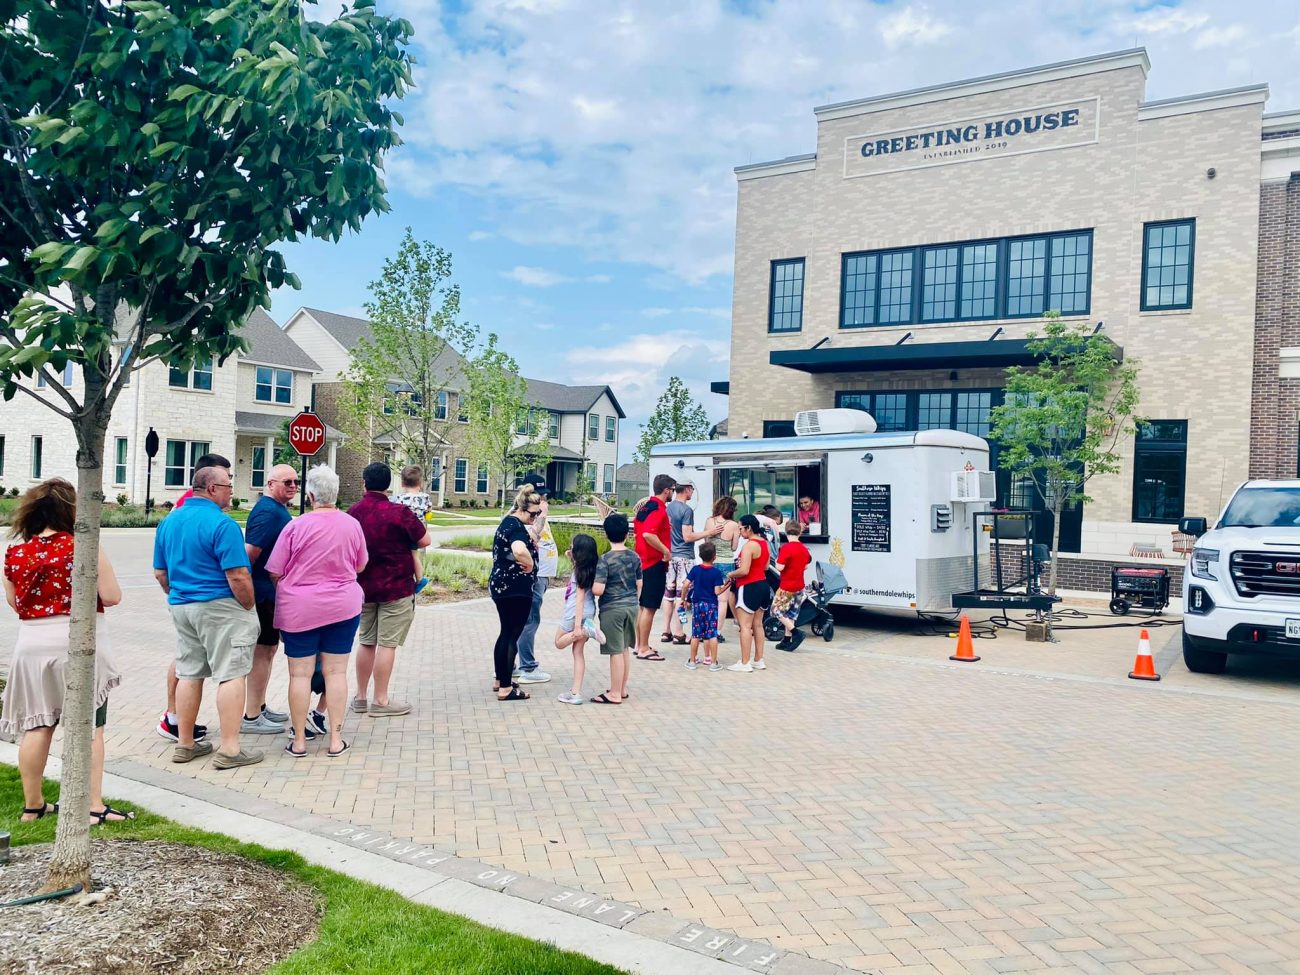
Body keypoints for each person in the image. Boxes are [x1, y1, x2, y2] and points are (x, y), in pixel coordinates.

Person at [2, 479, 133, 824]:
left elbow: (15, 602)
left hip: (30, 646)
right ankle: (92, 806)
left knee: (38, 725)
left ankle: (33, 806)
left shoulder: (16, 553)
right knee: (90, 726)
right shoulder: (82, 546)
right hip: (77, 643)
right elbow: (112, 595)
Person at [153, 465, 263, 768]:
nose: (231, 490)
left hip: (183, 605)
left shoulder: (169, 522)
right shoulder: (222, 524)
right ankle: (230, 749)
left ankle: (185, 743)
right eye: (228, 485)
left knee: (189, 673)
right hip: (220, 606)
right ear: (212, 488)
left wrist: (177, 595)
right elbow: (238, 575)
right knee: (231, 674)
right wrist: (248, 606)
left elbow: (161, 573)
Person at [265, 465, 368, 758]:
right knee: (336, 672)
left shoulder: (296, 527)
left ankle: (298, 741)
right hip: (342, 606)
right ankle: (335, 739)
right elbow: (360, 565)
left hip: (300, 609)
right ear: (335, 494)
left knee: (299, 675)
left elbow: (274, 569)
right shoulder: (352, 525)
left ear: (310, 495)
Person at [156, 453, 230, 742]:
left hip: (184, 597)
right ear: (209, 480)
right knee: (187, 661)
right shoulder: (190, 507)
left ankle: (177, 719)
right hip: (197, 598)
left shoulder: (184, 507)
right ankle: (173, 717)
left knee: (187, 658)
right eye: (226, 479)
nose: (229, 486)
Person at [348, 463, 431, 717]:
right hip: (395, 587)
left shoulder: (353, 513)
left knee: (366, 641)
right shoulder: (399, 513)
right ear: (388, 486)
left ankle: (361, 697)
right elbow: (424, 539)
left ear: (364, 483)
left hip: (363, 587)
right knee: (387, 644)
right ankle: (381, 700)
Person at [240, 463, 298, 736]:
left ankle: (259, 706)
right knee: (262, 652)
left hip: (272, 593)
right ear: (271, 483)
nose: (292, 487)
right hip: (263, 593)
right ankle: (251, 716)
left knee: (268, 650)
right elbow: (248, 554)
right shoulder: (267, 512)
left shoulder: (277, 510)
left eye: (296, 482)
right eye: (286, 482)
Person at [490, 486, 541, 701]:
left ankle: (501, 680)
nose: (535, 517)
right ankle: (505, 688)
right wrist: (529, 563)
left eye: (538, 513)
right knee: (512, 634)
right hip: (515, 589)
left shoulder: (508, 522)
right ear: (521, 509)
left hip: (501, 585)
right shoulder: (518, 528)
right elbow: (519, 549)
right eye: (532, 514)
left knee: (505, 633)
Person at [661, 481, 721, 645]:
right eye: (692, 489)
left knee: (668, 595)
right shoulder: (686, 510)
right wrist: (709, 532)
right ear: (686, 490)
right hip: (684, 557)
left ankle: (666, 631)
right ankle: (679, 633)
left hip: (671, 555)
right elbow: (688, 536)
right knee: (682, 596)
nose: (693, 493)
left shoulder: (669, 507)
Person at [591, 512, 641, 704]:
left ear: (606, 534)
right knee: (625, 649)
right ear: (627, 534)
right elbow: (639, 584)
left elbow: (598, 589)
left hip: (612, 609)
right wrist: (634, 601)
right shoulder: (634, 556)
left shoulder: (605, 560)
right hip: (632, 606)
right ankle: (622, 688)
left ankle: (614, 693)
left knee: (615, 651)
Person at [515, 473, 556, 685]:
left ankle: (510, 665)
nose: (543, 500)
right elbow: (530, 539)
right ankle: (527, 667)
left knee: (521, 620)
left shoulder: (537, 513)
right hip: (532, 576)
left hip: (542, 574)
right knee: (529, 620)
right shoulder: (521, 517)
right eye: (539, 496)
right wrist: (541, 516)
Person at [553, 532, 603, 705]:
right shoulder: (591, 567)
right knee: (578, 653)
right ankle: (575, 693)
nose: (570, 550)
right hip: (589, 612)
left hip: (575, 613)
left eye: (572, 547)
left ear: (579, 553)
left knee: (559, 642)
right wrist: (571, 553)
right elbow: (571, 555)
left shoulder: (579, 571)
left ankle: (585, 631)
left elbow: (579, 599)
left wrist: (576, 628)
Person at [632, 473, 674, 661]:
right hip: (653, 563)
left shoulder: (645, 507)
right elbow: (649, 534)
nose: (673, 493)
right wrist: (666, 551)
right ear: (666, 491)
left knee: (642, 607)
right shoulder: (658, 509)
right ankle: (642, 648)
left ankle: (639, 644)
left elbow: (638, 532)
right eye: (672, 490)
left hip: (642, 561)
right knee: (649, 608)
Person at [724, 514, 771, 674]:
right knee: (758, 624)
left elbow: (744, 570)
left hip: (749, 586)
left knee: (745, 626)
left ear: (748, 528)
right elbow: (765, 567)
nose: (740, 531)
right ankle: (759, 659)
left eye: (741, 528)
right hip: (763, 585)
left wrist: (730, 574)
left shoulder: (749, 545)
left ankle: (745, 662)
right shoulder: (765, 543)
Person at [703, 496, 741, 655]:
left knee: (708, 597)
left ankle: (705, 628)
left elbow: (706, 540)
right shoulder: (734, 525)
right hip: (726, 564)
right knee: (722, 600)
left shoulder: (709, 521)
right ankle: (717, 632)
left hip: (711, 562)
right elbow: (734, 547)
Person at [682, 540, 725, 672]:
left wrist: (683, 599)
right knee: (711, 634)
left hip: (697, 604)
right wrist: (727, 586)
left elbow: (685, 585)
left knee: (695, 634)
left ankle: (692, 661)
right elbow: (717, 591)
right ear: (714, 556)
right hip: (711, 605)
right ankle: (713, 663)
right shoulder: (716, 573)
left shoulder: (695, 569)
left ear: (700, 555)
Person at [773, 520, 812, 652]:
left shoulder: (786, 548)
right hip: (800, 586)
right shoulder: (804, 548)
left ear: (785, 531)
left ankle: (796, 633)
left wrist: (778, 560)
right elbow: (806, 566)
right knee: (791, 614)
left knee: (776, 610)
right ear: (799, 532)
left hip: (787, 586)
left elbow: (779, 567)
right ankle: (786, 639)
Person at [392, 465, 431, 594]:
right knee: (414, 554)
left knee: (413, 555)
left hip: (405, 531)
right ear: (420, 483)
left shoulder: (399, 498)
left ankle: (420, 579)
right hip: (418, 531)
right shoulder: (425, 498)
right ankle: (418, 578)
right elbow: (429, 511)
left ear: (402, 483)